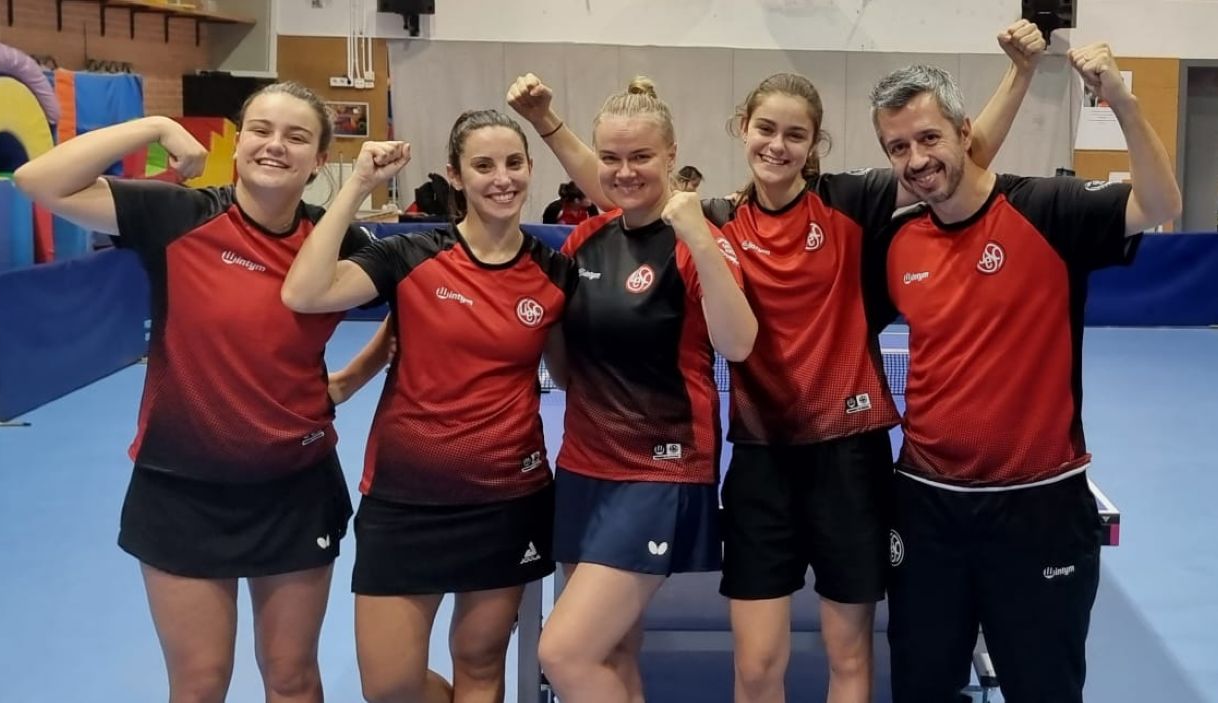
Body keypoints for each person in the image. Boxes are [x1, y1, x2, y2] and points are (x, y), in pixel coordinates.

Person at [508, 21, 1041, 703]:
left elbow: (951, 168)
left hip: (849, 456)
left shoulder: (853, 203)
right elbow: (622, 183)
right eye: (766, 129)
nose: (777, 145)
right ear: (743, 128)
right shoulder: (720, 218)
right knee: (757, 667)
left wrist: (1019, 76)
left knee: (850, 656)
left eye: (795, 134)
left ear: (813, 146)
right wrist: (550, 124)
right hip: (760, 459)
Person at [13, 81, 385, 703]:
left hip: (295, 487)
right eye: (261, 130)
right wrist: (153, 125)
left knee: (292, 678)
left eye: (297, 136)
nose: (275, 145)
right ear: (238, 143)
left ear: (321, 159)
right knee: (199, 683)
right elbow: (37, 182)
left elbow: (415, 307)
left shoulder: (338, 240)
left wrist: (351, 377)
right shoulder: (179, 216)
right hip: (179, 489)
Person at [866, 45, 1180, 703]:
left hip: (1040, 506)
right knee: (921, 686)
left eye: (928, 137)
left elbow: (1157, 203)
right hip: (926, 507)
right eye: (898, 147)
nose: (917, 159)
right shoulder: (897, 240)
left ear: (965, 132)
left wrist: (1122, 102)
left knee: (1043, 689)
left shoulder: (1050, 210)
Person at [280, 109, 574, 703]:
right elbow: (305, 292)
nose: (502, 178)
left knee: (480, 665)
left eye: (514, 163)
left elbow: (568, 374)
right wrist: (358, 185)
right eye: (483, 165)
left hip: (507, 497)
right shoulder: (410, 255)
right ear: (456, 176)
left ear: (531, 169)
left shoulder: (554, 272)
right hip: (405, 498)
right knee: (388, 687)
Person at [508, 75, 757, 703]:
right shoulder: (589, 238)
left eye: (641, 156)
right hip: (586, 467)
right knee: (611, 650)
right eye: (611, 158)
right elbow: (564, 365)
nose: (624, 171)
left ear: (672, 155)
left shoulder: (701, 243)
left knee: (563, 652)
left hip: (661, 471)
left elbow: (738, 344)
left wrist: (699, 236)